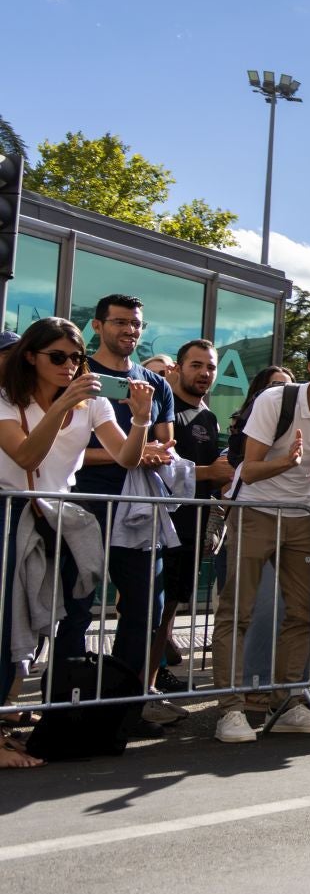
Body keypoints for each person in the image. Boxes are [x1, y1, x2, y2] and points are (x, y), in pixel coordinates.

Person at [0, 318, 157, 768]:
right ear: (31, 356)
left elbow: (126, 457)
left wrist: (141, 420)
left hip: (59, 520)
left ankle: (22, 721)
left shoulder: (93, 403)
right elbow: (26, 455)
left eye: (75, 357)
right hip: (10, 514)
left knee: (48, 622)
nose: (69, 365)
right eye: (57, 356)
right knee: (6, 624)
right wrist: (63, 405)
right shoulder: (8, 398)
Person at [211, 336, 310, 743]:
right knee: (237, 612)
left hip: (301, 514)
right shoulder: (275, 400)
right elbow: (248, 470)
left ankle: (287, 704)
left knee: (303, 612)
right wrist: (288, 462)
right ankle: (230, 710)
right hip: (255, 509)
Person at [72, 295, 177, 695]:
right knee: (75, 605)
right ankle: (65, 700)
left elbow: (166, 446)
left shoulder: (156, 384)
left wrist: (151, 452)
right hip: (85, 503)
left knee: (146, 607)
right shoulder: (79, 374)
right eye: (120, 322)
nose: (130, 330)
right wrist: (128, 453)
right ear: (98, 326)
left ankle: (121, 704)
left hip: (139, 508)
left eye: (136, 324)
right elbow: (62, 448)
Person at [155, 340, 232, 692]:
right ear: (179, 368)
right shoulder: (163, 410)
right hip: (159, 525)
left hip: (193, 525)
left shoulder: (209, 417)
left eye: (210, 367)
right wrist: (209, 473)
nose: (204, 373)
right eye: (196, 365)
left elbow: (214, 474)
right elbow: (158, 464)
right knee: (153, 607)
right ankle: (144, 683)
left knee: (171, 605)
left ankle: (155, 674)